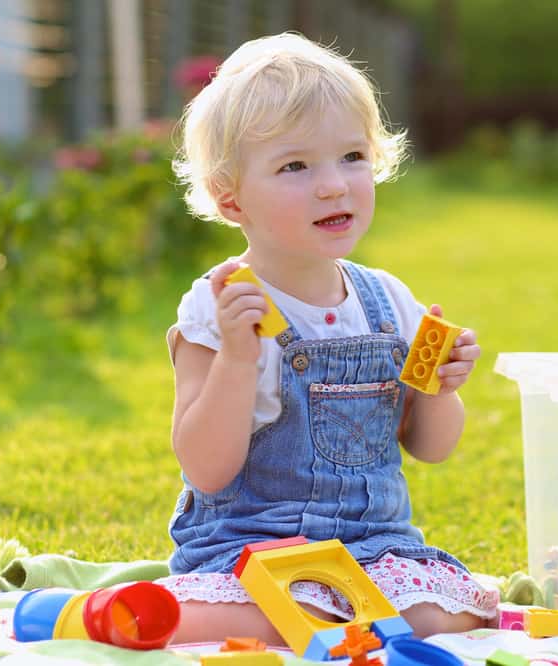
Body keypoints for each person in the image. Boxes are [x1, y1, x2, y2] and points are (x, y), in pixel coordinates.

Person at [154, 32, 499, 645]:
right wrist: (238, 357)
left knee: (448, 614)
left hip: (373, 548)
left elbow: (431, 447)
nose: (334, 184)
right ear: (231, 198)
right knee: (244, 610)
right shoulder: (223, 305)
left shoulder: (388, 301)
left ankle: (326, 623)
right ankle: (301, 620)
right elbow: (206, 469)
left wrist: (441, 388)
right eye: (295, 166)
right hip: (251, 546)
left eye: (351, 157)